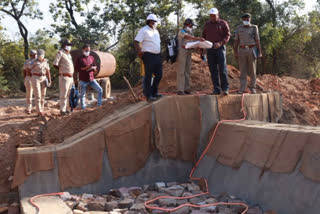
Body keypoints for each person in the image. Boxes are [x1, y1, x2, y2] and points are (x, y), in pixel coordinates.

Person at [201, 7, 231, 95]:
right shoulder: (207, 24)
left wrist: (221, 43)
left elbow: (227, 35)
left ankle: (225, 89)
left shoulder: (223, 23)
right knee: (213, 70)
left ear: (218, 15)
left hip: (220, 49)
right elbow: (203, 37)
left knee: (222, 69)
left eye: (214, 16)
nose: (212, 17)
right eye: (211, 16)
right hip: (210, 49)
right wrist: (202, 50)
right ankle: (216, 89)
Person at [134, 14, 162, 102]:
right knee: (148, 76)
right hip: (148, 55)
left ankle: (154, 92)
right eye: (154, 22)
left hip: (157, 55)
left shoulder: (156, 31)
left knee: (159, 74)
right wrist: (140, 53)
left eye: (155, 22)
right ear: (150, 22)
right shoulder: (144, 30)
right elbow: (136, 42)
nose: (155, 23)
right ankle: (148, 95)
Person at [233, 13, 262, 94]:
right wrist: (235, 52)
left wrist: (260, 52)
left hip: (252, 49)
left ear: (250, 19)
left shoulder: (254, 27)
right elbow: (236, 41)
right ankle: (242, 88)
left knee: (252, 70)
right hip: (241, 50)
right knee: (242, 70)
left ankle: (253, 88)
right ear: (242, 20)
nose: (246, 20)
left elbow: (257, 40)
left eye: (248, 19)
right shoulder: (239, 28)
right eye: (245, 19)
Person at [177, 18, 205, 95]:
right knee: (181, 71)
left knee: (187, 71)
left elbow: (192, 43)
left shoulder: (191, 33)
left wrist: (199, 45)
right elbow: (186, 37)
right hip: (182, 52)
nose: (192, 27)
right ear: (187, 25)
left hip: (189, 52)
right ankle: (180, 89)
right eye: (191, 25)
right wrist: (197, 38)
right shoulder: (182, 31)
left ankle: (187, 88)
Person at [75, 44, 103, 109]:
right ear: (83, 50)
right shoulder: (79, 59)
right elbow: (77, 69)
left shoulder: (92, 58)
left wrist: (94, 69)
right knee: (82, 95)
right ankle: (83, 107)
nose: (88, 51)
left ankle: (99, 104)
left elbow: (94, 68)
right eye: (86, 50)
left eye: (89, 50)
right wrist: (86, 68)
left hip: (91, 78)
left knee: (100, 90)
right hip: (83, 80)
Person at [53, 39, 74, 116]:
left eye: (70, 45)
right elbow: (55, 64)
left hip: (70, 77)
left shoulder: (68, 54)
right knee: (63, 95)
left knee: (69, 94)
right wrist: (61, 70)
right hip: (64, 76)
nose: (69, 47)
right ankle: (62, 110)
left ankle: (67, 109)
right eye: (68, 45)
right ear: (64, 45)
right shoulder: (60, 53)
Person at [30, 49, 51, 116]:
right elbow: (29, 69)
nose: (40, 56)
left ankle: (42, 109)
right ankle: (39, 111)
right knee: (38, 95)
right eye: (38, 55)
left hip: (44, 78)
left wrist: (50, 80)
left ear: (43, 55)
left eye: (41, 55)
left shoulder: (46, 62)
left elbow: (48, 71)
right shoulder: (33, 61)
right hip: (36, 78)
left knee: (43, 95)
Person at [23, 49, 37, 114]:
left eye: (36, 54)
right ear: (31, 55)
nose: (35, 55)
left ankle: (39, 109)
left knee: (38, 94)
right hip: (29, 77)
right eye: (34, 54)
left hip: (37, 78)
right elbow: (24, 70)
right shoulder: (27, 62)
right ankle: (29, 108)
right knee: (29, 94)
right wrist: (25, 78)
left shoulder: (38, 61)